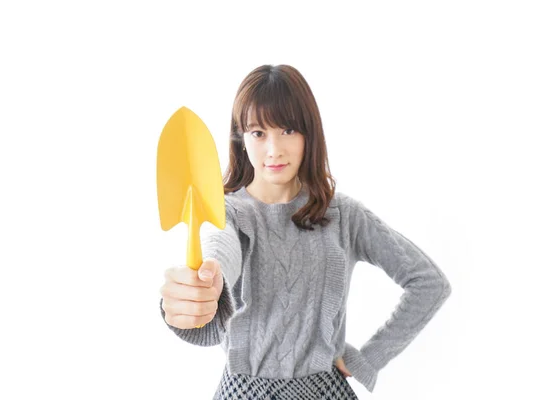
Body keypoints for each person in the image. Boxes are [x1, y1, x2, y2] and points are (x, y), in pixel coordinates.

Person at [159, 64, 452, 399]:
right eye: (258, 133)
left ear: (309, 133)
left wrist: (369, 358)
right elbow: (219, 253)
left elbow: (429, 283)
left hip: (325, 391)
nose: (274, 149)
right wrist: (201, 290)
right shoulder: (226, 214)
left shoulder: (344, 216)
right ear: (240, 139)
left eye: (288, 130)